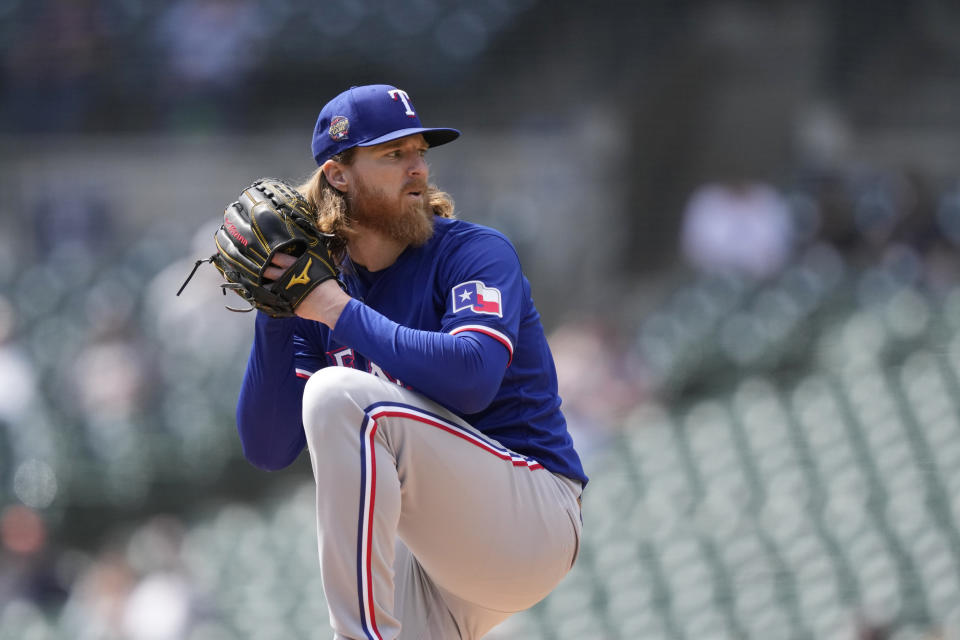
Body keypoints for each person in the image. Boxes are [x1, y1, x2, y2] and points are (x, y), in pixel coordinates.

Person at [234, 84, 587, 640]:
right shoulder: (321, 290)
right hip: (436, 565)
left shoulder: (472, 251)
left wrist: (335, 309)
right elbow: (268, 448)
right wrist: (276, 306)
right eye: (393, 155)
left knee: (338, 395)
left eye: (420, 151)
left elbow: (471, 379)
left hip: (529, 518)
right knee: (349, 432)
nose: (417, 168)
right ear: (338, 174)